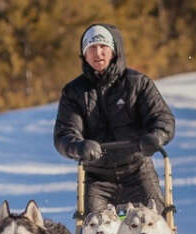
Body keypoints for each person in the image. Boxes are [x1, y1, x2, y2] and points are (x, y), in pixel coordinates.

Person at [53, 23, 175, 217]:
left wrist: (156, 137)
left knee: (154, 223)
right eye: (91, 48)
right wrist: (79, 147)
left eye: (103, 46)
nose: (98, 52)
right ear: (84, 54)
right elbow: (64, 134)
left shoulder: (138, 83)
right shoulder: (73, 92)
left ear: (114, 50)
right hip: (97, 178)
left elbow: (162, 118)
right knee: (94, 231)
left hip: (138, 172)